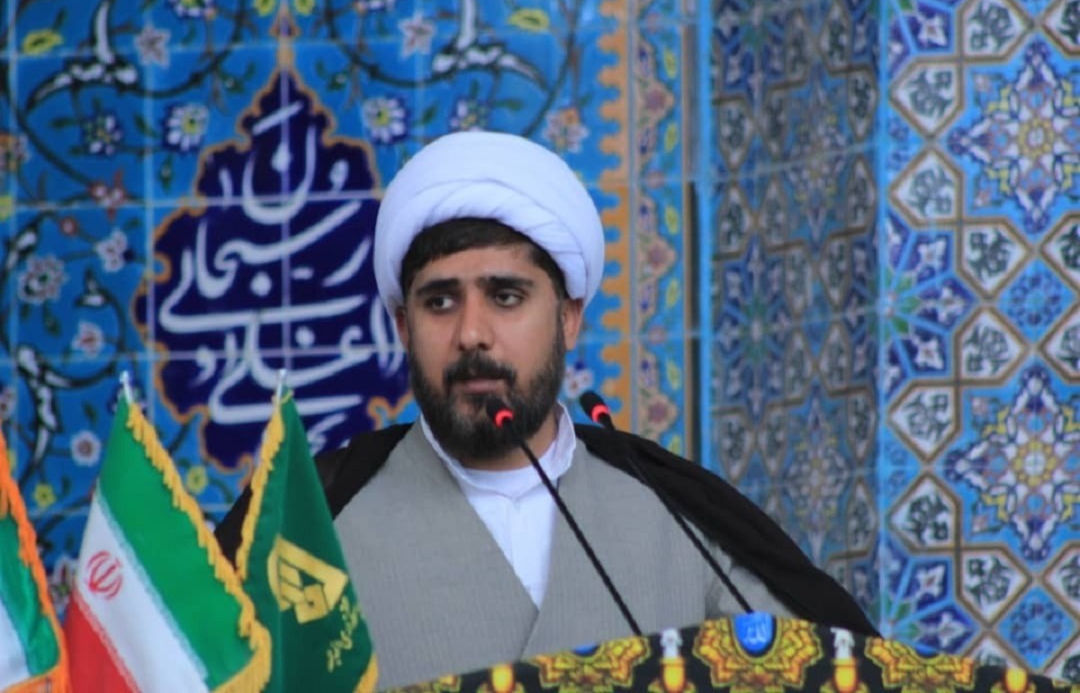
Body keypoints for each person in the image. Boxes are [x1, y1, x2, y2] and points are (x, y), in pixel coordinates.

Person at [216, 131, 877, 689]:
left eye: (505, 297)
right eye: (440, 302)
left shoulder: (678, 518)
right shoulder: (309, 526)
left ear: (568, 318)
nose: (471, 334)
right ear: (402, 326)